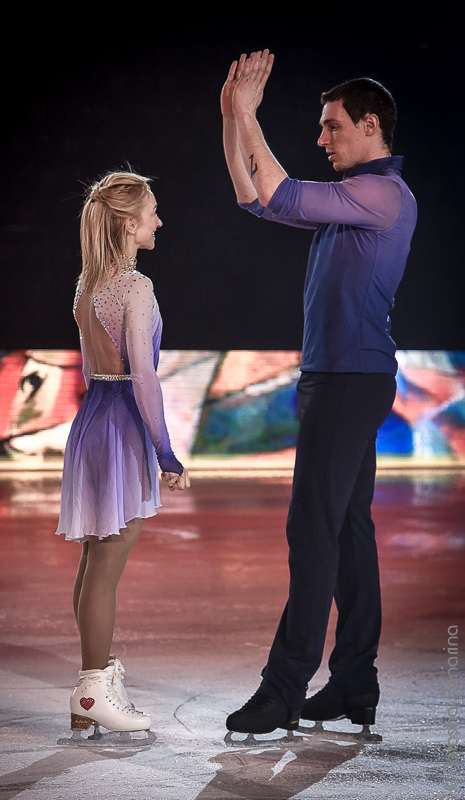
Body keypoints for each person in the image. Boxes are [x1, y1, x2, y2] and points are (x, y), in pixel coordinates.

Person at [221, 51, 417, 734]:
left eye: (332, 127)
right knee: (347, 532)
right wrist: (231, 118)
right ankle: (355, 681)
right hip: (337, 380)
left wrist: (249, 115)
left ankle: (282, 688)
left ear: (369, 126)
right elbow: (254, 196)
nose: (322, 138)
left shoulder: (381, 195)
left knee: (312, 534)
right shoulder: (348, 202)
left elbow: (276, 189)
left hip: (350, 381)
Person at [55, 170, 190, 737]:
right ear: (129, 224)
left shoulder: (88, 283)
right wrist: (166, 452)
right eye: (152, 213)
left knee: (96, 557)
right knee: (107, 560)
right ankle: (92, 689)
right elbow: (144, 379)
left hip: (92, 420)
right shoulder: (135, 287)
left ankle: (94, 682)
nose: (159, 221)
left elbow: (98, 371)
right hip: (120, 423)